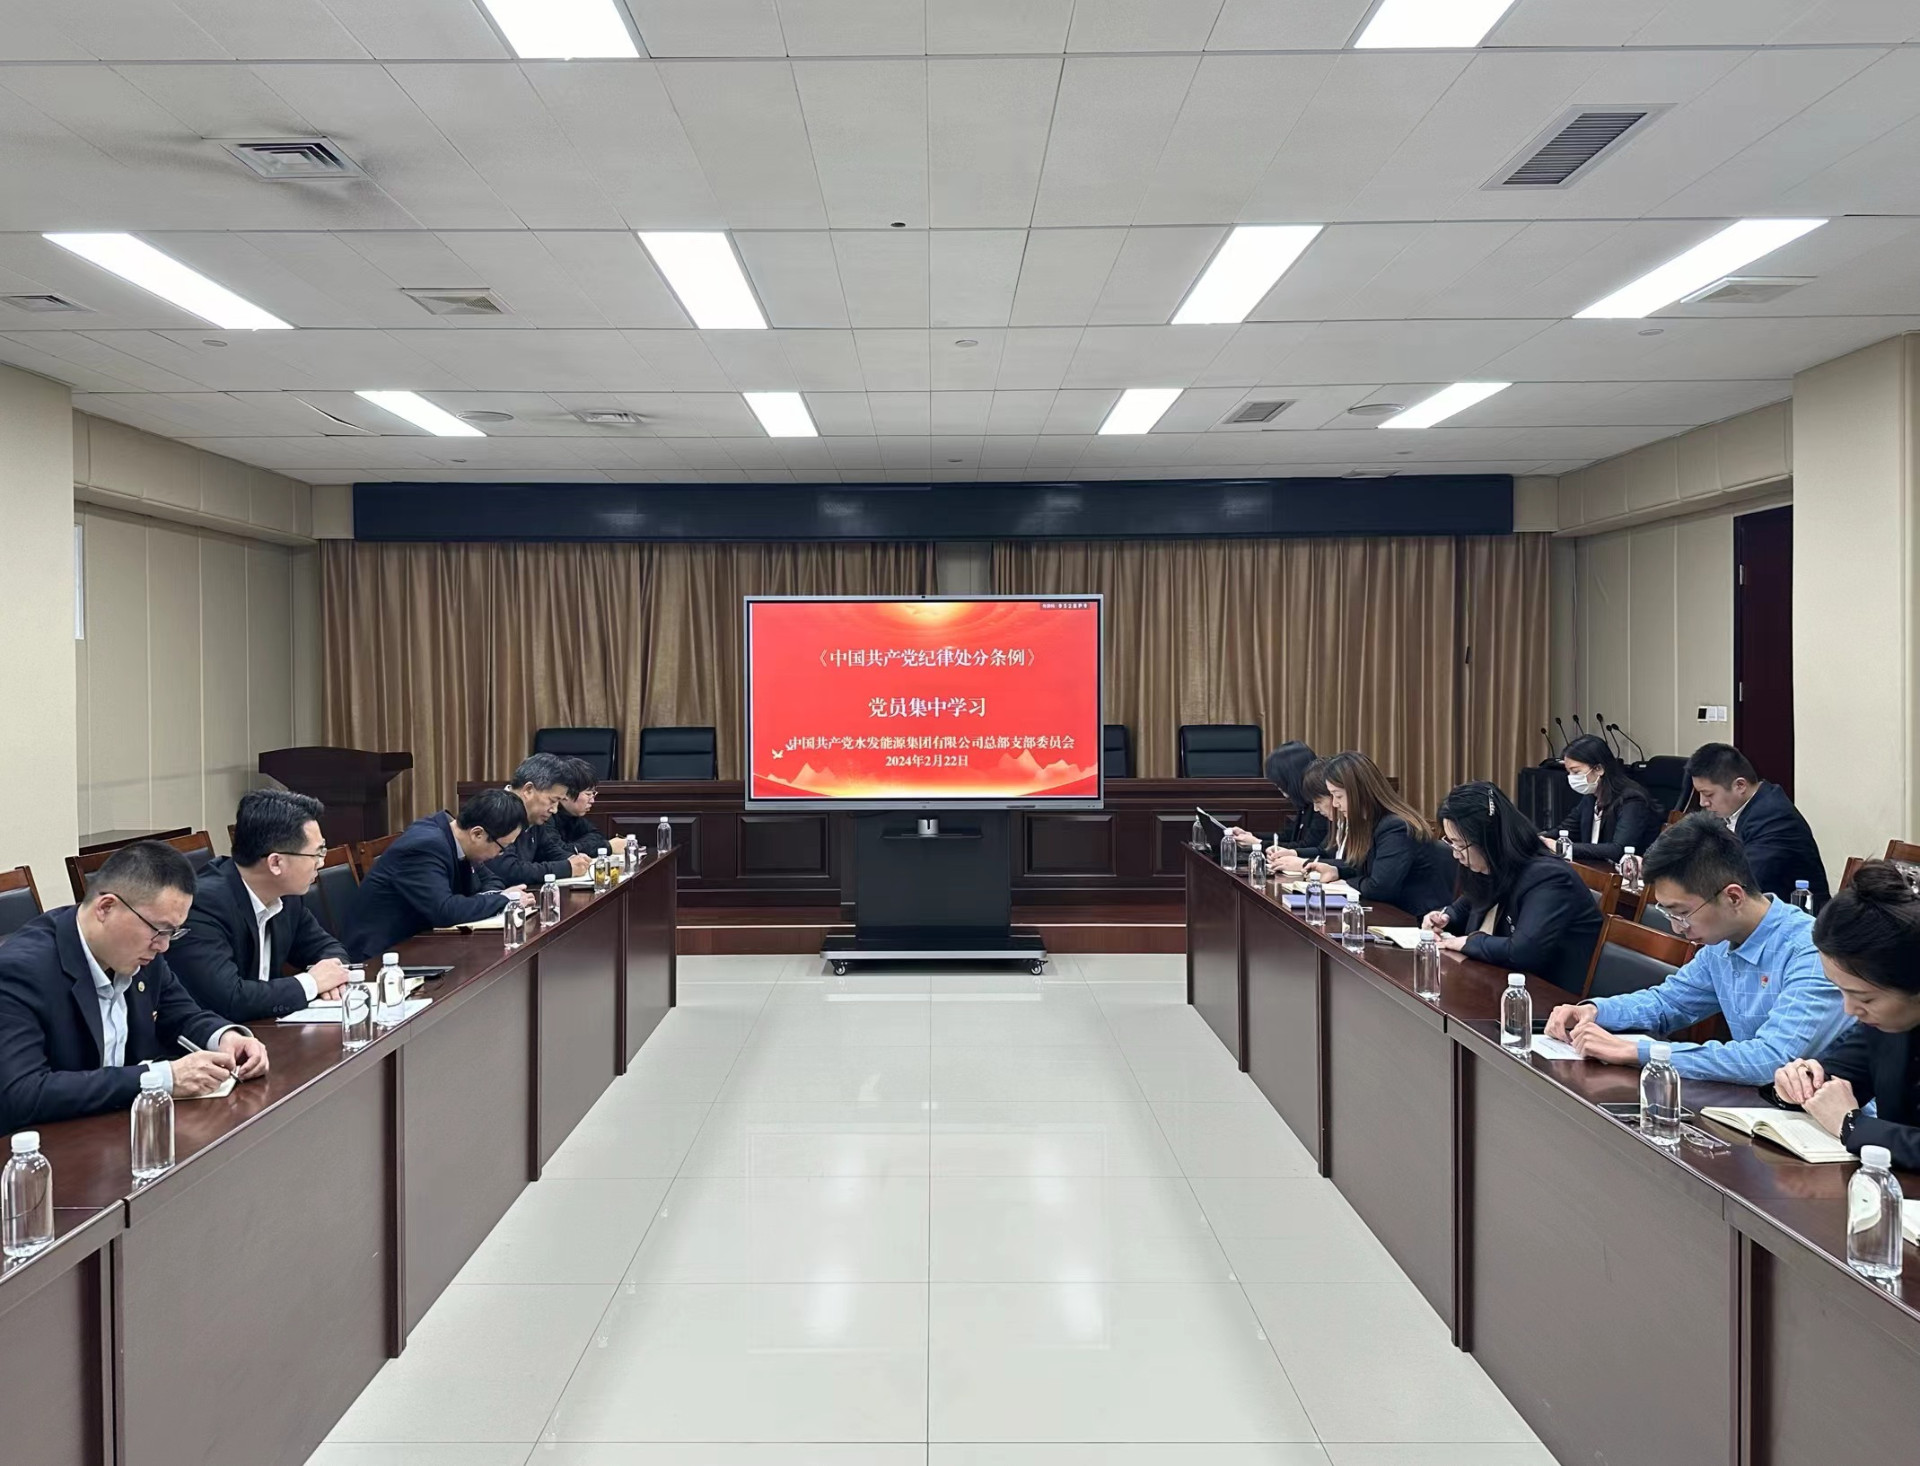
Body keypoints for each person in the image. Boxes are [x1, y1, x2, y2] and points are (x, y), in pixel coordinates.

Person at [1544, 813, 1850, 1082]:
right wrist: (1595, 1010)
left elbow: (1770, 1059)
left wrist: (1638, 1051)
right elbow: (1668, 1002)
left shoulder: (1811, 953)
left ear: (1733, 897)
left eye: (1681, 913)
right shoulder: (1722, 942)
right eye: (1668, 914)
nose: (1677, 928)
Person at [0, 841, 270, 1130]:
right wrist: (160, 1078)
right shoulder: (20, 970)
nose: (164, 946)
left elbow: (182, 1015)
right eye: (159, 930)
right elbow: (23, 1094)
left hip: (119, 1127)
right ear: (106, 907)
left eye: (172, 933)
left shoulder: (141, 951)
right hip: (54, 1141)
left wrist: (226, 1038)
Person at [1772, 861, 1920, 1168]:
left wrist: (1851, 1124)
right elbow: (1841, 1075)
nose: (1849, 1009)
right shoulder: (1883, 1023)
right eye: (1840, 990)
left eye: (1865, 997)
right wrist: (1800, 1082)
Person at [168, 790, 354, 1022]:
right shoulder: (203, 905)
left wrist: (333, 975)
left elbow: (326, 946)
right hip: (218, 1037)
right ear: (276, 863)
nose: (322, 862)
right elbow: (229, 999)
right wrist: (312, 983)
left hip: (268, 1028)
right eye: (316, 854)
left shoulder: (286, 894)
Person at [1424, 782, 1603, 996]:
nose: (1456, 854)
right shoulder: (1494, 864)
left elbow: (1523, 951)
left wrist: (1466, 942)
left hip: (1549, 998)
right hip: (1502, 984)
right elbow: (1468, 905)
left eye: (1461, 845)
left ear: (1490, 839)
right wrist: (1444, 918)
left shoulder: (1549, 877)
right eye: (1451, 844)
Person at [343, 788, 532, 961]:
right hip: (380, 956)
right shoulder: (426, 846)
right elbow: (445, 910)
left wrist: (494, 897)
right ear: (477, 834)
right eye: (502, 847)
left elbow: (491, 880)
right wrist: (504, 899)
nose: (500, 855)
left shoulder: (457, 839)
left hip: (420, 941)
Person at [1288, 750, 1455, 916]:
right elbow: (1365, 868)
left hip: (1413, 919)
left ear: (1359, 792)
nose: (1336, 804)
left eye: (1338, 796)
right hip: (1389, 912)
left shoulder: (1395, 827)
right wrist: (1336, 871)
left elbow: (1380, 887)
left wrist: (1346, 883)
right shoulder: (1369, 822)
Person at [1686, 742, 1828, 906]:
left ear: (1740, 786)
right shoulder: (1732, 811)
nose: (1703, 802)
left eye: (1708, 794)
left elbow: (1744, 880)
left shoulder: (1774, 818)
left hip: (1796, 916)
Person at [485, 753, 593, 888]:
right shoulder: (497, 810)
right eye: (552, 801)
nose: (554, 810)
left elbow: (548, 850)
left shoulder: (533, 816)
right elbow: (509, 871)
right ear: (528, 790)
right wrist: (567, 868)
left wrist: (573, 859)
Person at [1553, 734, 1662, 865]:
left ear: (1599, 769)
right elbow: (1565, 830)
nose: (1571, 777)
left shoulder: (1632, 800)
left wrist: (1562, 847)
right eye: (1569, 772)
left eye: (1576, 772)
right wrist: (1538, 839)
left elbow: (1618, 850)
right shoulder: (1591, 796)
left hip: (1625, 873)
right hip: (1595, 868)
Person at [1230, 742, 1329, 860]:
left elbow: (1308, 847)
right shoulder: (1304, 804)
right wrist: (1251, 836)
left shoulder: (1322, 807)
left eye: (1281, 783)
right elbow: (1288, 836)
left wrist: (1258, 843)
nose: (1278, 787)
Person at [551, 757, 606, 855]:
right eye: (588, 794)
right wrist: (607, 847)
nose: (592, 801)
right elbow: (559, 852)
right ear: (565, 793)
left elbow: (597, 835)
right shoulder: (546, 816)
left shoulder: (572, 815)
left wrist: (576, 847)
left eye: (593, 794)